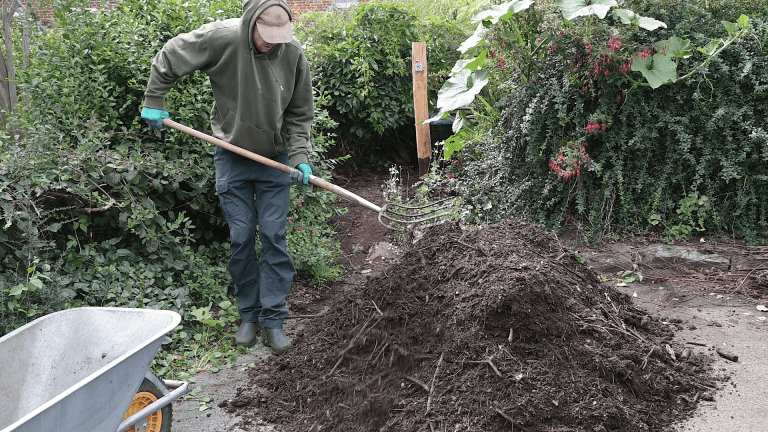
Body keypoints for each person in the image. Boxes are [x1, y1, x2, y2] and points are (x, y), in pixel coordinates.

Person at [140, 0, 313, 355]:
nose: (272, 44)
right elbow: (172, 54)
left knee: (274, 236)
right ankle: (248, 315)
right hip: (232, 156)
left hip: (275, 159)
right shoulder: (222, 38)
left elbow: (299, 112)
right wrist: (155, 97)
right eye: (266, 36)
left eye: (279, 37)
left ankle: (273, 319)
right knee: (240, 238)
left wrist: (299, 156)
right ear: (250, 24)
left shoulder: (292, 53)